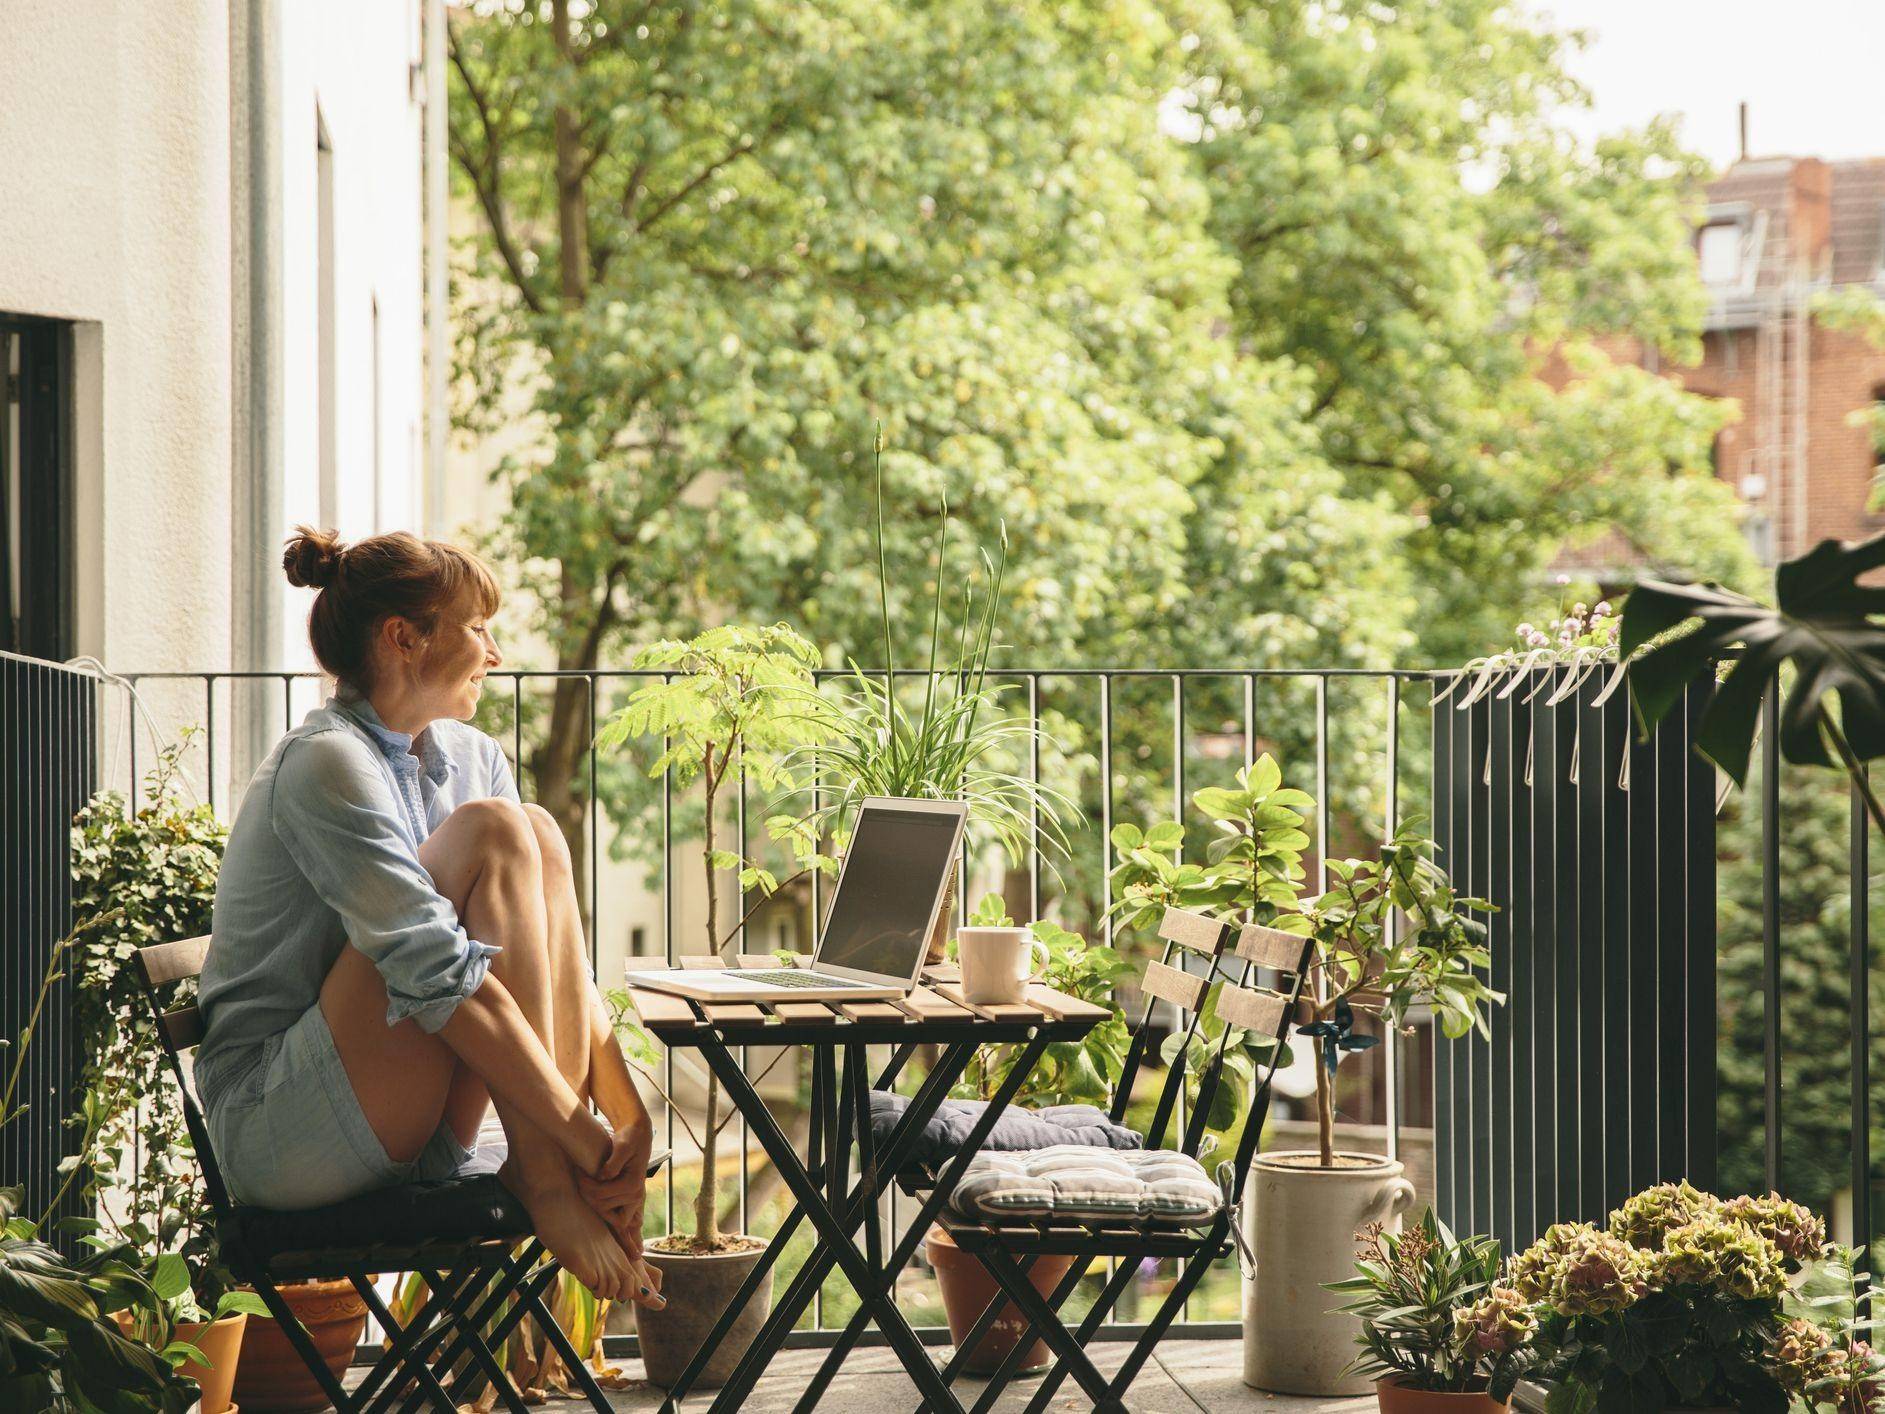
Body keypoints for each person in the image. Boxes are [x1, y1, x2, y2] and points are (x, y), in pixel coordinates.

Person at [194, 526, 663, 1307]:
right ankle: (543, 1179)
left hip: (401, 1113)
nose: (495, 652)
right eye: (479, 628)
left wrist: (625, 1117)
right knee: (497, 832)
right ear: (404, 638)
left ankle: (545, 1167)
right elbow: (438, 976)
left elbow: (547, 961)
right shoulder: (325, 763)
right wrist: (580, 1148)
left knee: (535, 831)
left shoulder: (471, 758)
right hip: (282, 1131)